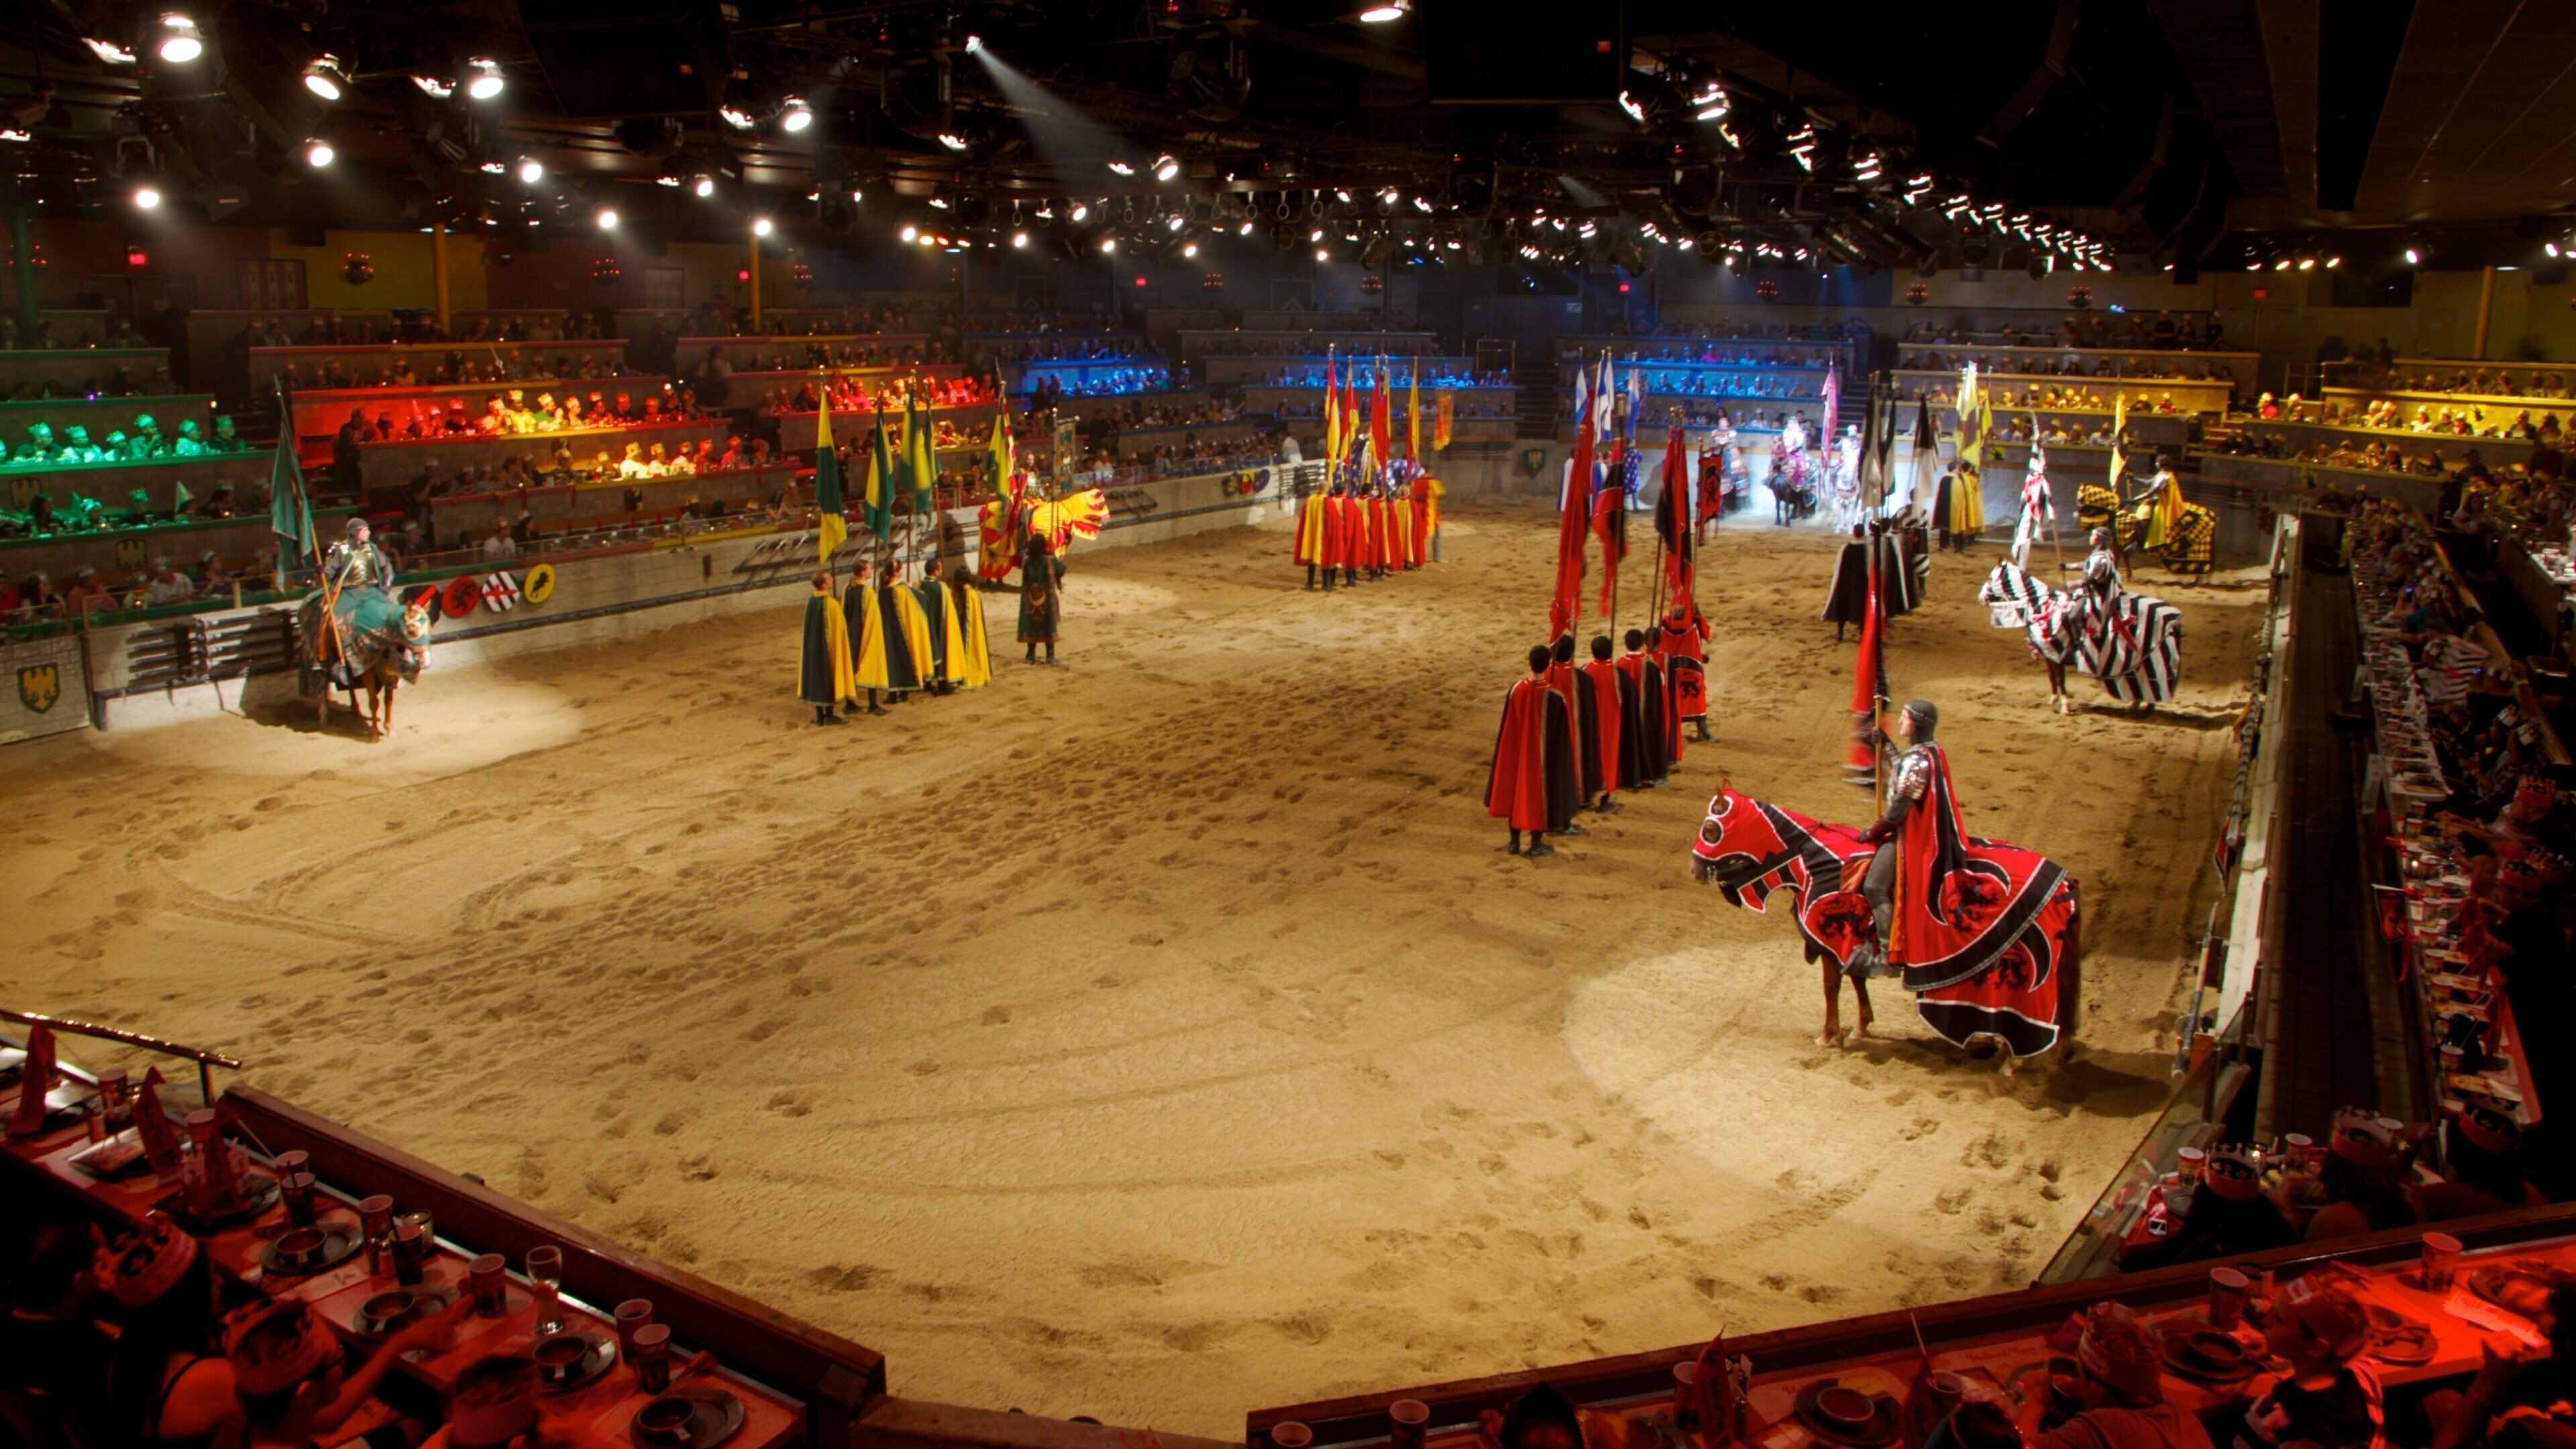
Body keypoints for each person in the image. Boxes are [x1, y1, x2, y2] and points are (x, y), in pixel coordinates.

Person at [2031, 1305, 2213, 1449]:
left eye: (2082, 1375)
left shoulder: (2100, 1426)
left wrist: (2036, 1402)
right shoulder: (2179, 1411)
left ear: (2096, 1390)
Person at [1850, 700, 1943, 981]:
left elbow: (1897, 812)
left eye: (1904, 719)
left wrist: (1873, 832)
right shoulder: (1924, 753)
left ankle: (1888, 953)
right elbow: (1904, 769)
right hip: (1911, 831)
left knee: (1875, 885)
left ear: (1916, 723)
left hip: (1908, 838)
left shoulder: (1919, 761)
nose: (1901, 722)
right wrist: (1887, 745)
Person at [2237, 1281, 2381, 1449]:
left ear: (2316, 1348)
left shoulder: (2270, 1414)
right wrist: (2279, 1345)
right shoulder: (2365, 1376)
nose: (2266, 1321)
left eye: (2279, 1320)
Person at [2428, 1286, 2576, 1449]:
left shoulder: (2547, 1436)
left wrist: (2490, 1379)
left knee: (2438, 1401)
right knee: (2443, 1400)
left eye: (2554, 1343)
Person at [2279, 1112, 2420, 1242]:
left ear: (2334, 1166)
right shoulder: (2411, 1202)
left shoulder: (2332, 1218)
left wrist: (2285, 1210)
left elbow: (2299, 1260)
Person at [1488, 644, 1564, 858]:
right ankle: (1536, 845)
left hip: (1516, 752)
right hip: (1540, 757)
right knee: (1538, 797)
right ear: (1548, 665)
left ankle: (1514, 843)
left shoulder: (1516, 689)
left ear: (1528, 661)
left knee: (1514, 791)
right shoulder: (1555, 697)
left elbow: (1508, 724)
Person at [2413, 1102, 2548, 1222]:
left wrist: (2410, 1146)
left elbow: (2398, 1200)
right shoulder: (2532, 1193)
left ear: (2460, 1152)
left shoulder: (2450, 1197)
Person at [1615, 629, 1672, 788]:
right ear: (1642, 644)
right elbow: (1661, 686)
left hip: (1627, 715)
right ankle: (1652, 773)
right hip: (1647, 714)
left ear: (1625, 643)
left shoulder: (1619, 663)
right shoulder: (1650, 664)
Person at [1578, 637, 1626, 815]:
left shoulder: (1585, 671)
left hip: (1589, 724)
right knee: (1609, 759)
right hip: (1610, 724)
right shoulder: (1617, 673)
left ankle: (1586, 796)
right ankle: (1604, 801)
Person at [798, 572, 853, 725]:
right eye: (829, 579)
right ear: (823, 584)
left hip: (813, 647)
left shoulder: (811, 601)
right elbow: (840, 627)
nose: (832, 580)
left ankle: (820, 715)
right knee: (828, 676)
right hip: (827, 648)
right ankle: (829, 715)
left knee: (816, 677)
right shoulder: (831, 604)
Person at [1654, 603, 1712, 744]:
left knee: (1671, 698)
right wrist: (1698, 613)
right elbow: (1706, 634)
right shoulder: (1696, 621)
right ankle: (1702, 731)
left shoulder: (1663, 622)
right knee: (1697, 697)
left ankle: (1669, 731)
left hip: (1670, 665)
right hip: (1691, 666)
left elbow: (1655, 640)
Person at [843, 560, 892, 714]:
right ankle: (873, 705)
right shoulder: (867, 592)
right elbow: (873, 618)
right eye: (869, 568)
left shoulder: (847, 588)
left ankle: (850, 703)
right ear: (863, 572)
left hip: (850, 633)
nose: (872, 570)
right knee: (870, 662)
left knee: (851, 666)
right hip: (864, 633)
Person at [1018, 533, 1063, 665]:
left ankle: (1030, 655)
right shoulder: (1049, 560)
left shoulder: (1027, 561)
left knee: (1032, 625)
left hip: (1030, 599)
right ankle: (1050, 656)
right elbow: (1060, 570)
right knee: (1048, 625)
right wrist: (1053, 556)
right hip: (1046, 600)